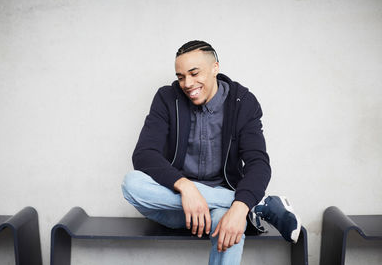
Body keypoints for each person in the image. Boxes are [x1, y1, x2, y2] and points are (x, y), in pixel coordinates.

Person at [122, 40, 300, 265]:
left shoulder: (243, 103)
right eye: (181, 76)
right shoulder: (167, 98)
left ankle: (241, 206)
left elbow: (258, 163)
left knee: (229, 224)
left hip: (222, 204)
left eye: (195, 73)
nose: (187, 83)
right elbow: (144, 154)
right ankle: (259, 205)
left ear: (215, 67)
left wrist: (239, 207)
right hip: (177, 202)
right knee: (132, 184)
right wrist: (186, 187)